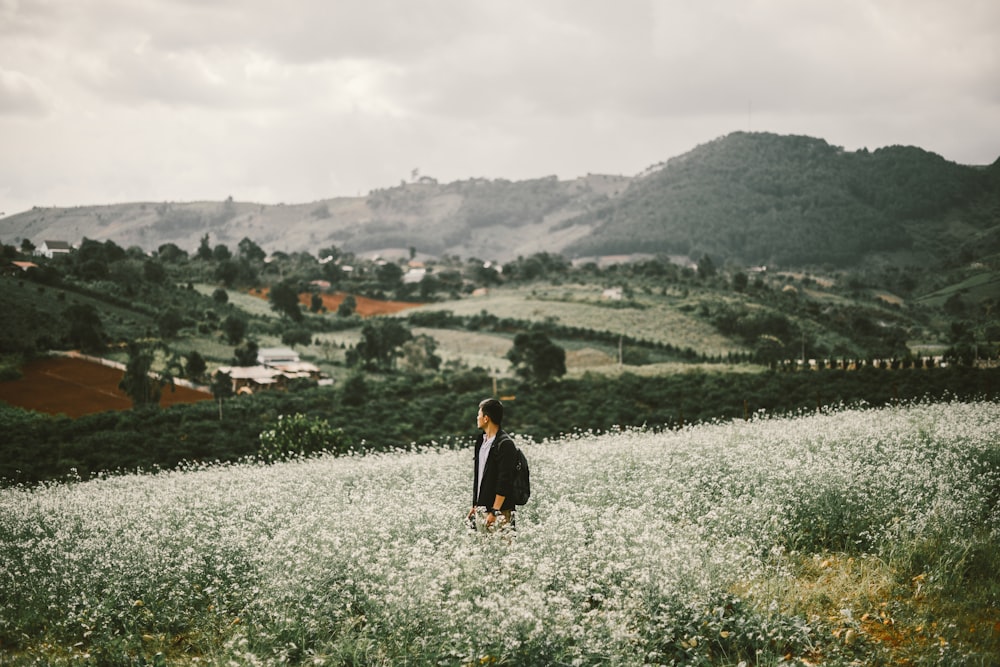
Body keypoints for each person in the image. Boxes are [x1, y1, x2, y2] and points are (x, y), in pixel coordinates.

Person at [467, 398, 517, 531]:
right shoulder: (481, 442)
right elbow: (480, 477)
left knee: (504, 549)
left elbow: (505, 480)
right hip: (483, 510)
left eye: (479, 415)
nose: (477, 418)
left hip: (499, 512)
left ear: (486, 418)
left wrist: (495, 511)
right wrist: (475, 505)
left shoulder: (505, 444)